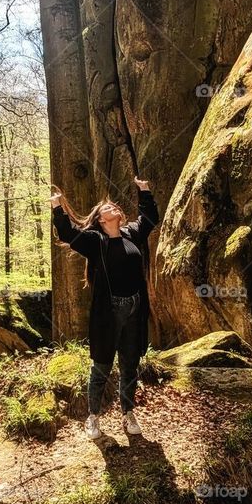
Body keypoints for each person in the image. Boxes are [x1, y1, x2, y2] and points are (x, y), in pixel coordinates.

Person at [50, 179, 159, 441]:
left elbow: (150, 219)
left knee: (130, 364)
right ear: (101, 219)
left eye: (115, 206)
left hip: (135, 308)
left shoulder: (131, 233)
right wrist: (57, 207)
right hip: (109, 313)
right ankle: (93, 417)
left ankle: (128, 413)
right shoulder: (95, 241)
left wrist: (144, 190)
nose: (114, 208)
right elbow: (68, 233)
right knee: (101, 366)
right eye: (108, 208)